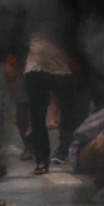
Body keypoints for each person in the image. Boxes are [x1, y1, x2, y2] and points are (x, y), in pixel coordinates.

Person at [24, 29, 80, 175]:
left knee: (69, 111)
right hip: (35, 63)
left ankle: (65, 148)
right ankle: (42, 160)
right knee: (37, 115)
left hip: (61, 62)